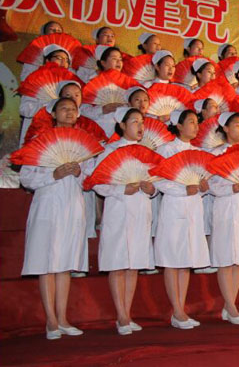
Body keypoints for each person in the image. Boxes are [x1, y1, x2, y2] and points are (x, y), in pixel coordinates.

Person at [20, 98, 89, 340]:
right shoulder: (40, 141)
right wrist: (53, 175)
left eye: (73, 109)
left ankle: (63, 318)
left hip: (72, 205)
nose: (69, 112)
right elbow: (26, 177)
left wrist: (79, 172)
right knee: (46, 260)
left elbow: (91, 178)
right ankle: (51, 320)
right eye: (64, 109)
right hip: (48, 205)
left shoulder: (82, 143)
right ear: (53, 113)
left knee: (65, 261)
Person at [91, 107, 155, 335]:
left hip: (140, 210)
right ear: (121, 125)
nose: (140, 126)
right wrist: (121, 190)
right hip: (118, 210)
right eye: (135, 121)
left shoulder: (146, 152)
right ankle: (121, 315)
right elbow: (97, 183)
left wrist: (151, 189)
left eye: (142, 122)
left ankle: (127, 313)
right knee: (118, 262)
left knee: (133, 264)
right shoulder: (109, 151)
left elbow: (156, 181)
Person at [154, 109, 210, 329]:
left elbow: (204, 184)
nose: (196, 126)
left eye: (197, 122)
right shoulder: (166, 150)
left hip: (193, 208)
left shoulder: (198, 153)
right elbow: (158, 179)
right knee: (172, 258)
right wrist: (182, 190)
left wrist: (203, 188)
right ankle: (176, 311)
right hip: (173, 207)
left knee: (186, 259)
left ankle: (181, 309)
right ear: (178, 125)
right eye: (191, 122)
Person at [208, 112, 239, 324]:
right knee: (226, 258)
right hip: (226, 206)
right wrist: (230, 188)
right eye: (237, 125)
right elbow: (210, 184)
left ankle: (231, 306)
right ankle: (230, 306)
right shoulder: (216, 153)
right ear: (226, 128)